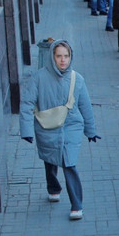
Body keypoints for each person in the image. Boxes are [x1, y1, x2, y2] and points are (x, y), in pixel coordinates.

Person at [19, 40, 100, 221]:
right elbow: (27, 104)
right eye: (59, 56)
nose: (63, 60)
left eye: (66, 56)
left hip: (71, 126)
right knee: (50, 159)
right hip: (47, 126)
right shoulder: (38, 78)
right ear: (52, 57)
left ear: (71, 57)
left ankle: (76, 205)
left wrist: (91, 130)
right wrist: (26, 130)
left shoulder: (77, 79)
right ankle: (53, 188)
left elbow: (85, 106)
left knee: (69, 162)